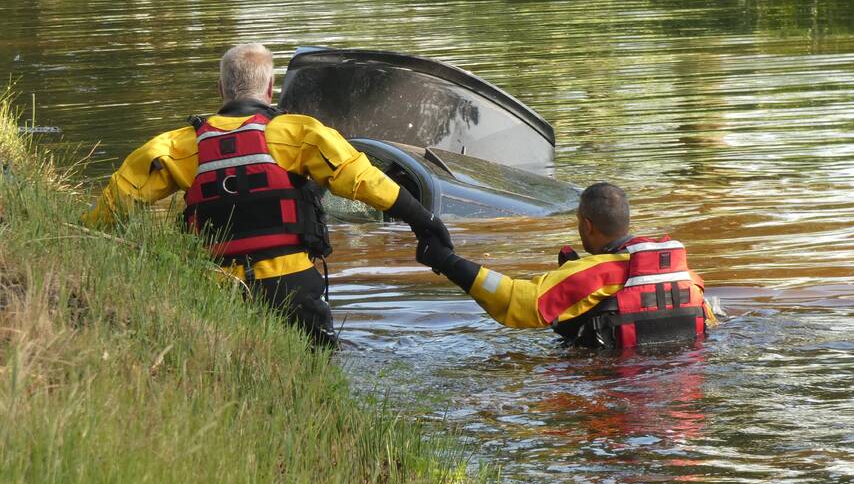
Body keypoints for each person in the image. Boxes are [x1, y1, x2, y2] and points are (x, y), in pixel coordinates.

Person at [83, 43, 450, 348]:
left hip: (218, 292)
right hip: (293, 289)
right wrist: (423, 220)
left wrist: (81, 232)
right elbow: (363, 179)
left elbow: (118, 198)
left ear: (220, 89)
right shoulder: (298, 133)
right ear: (270, 87)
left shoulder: (179, 146)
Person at [415, 182, 718, 350]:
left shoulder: (595, 273)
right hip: (680, 379)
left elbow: (515, 301)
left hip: (614, 385)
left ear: (587, 226)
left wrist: (446, 260)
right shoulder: (683, 274)